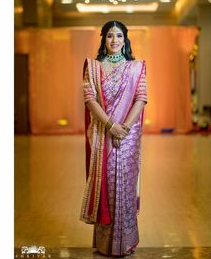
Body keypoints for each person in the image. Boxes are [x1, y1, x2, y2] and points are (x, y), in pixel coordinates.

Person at [80, 20, 147, 257]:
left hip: (127, 138)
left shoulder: (137, 67)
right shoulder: (93, 67)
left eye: (119, 36)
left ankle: (126, 242)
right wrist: (111, 127)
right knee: (106, 187)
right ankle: (105, 244)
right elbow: (90, 100)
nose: (115, 40)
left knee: (125, 188)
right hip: (102, 134)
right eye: (110, 36)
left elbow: (141, 98)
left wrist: (124, 129)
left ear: (125, 39)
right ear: (103, 39)